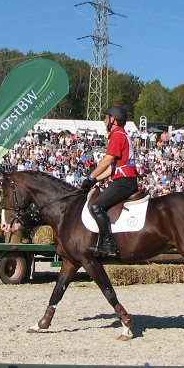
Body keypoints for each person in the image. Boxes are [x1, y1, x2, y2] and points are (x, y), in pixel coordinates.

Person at [79, 104, 138, 258]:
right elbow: (111, 169)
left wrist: (90, 177)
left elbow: (106, 161)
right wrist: (94, 181)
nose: (104, 121)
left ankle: (108, 245)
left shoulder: (118, 135)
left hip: (124, 181)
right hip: (123, 179)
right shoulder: (121, 135)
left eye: (106, 117)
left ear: (114, 119)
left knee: (97, 206)